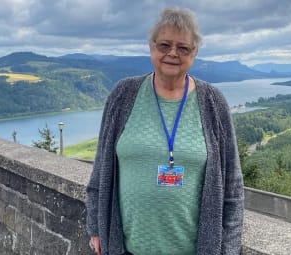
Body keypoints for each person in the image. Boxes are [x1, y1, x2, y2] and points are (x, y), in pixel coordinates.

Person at [86, 7, 244, 255]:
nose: (173, 53)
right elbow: (100, 170)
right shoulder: (123, 95)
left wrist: (230, 249)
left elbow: (233, 189)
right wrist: (95, 228)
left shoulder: (214, 103)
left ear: (195, 54)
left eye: (183, 48)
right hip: (126, 249)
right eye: (164, 45)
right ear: (151, 47)